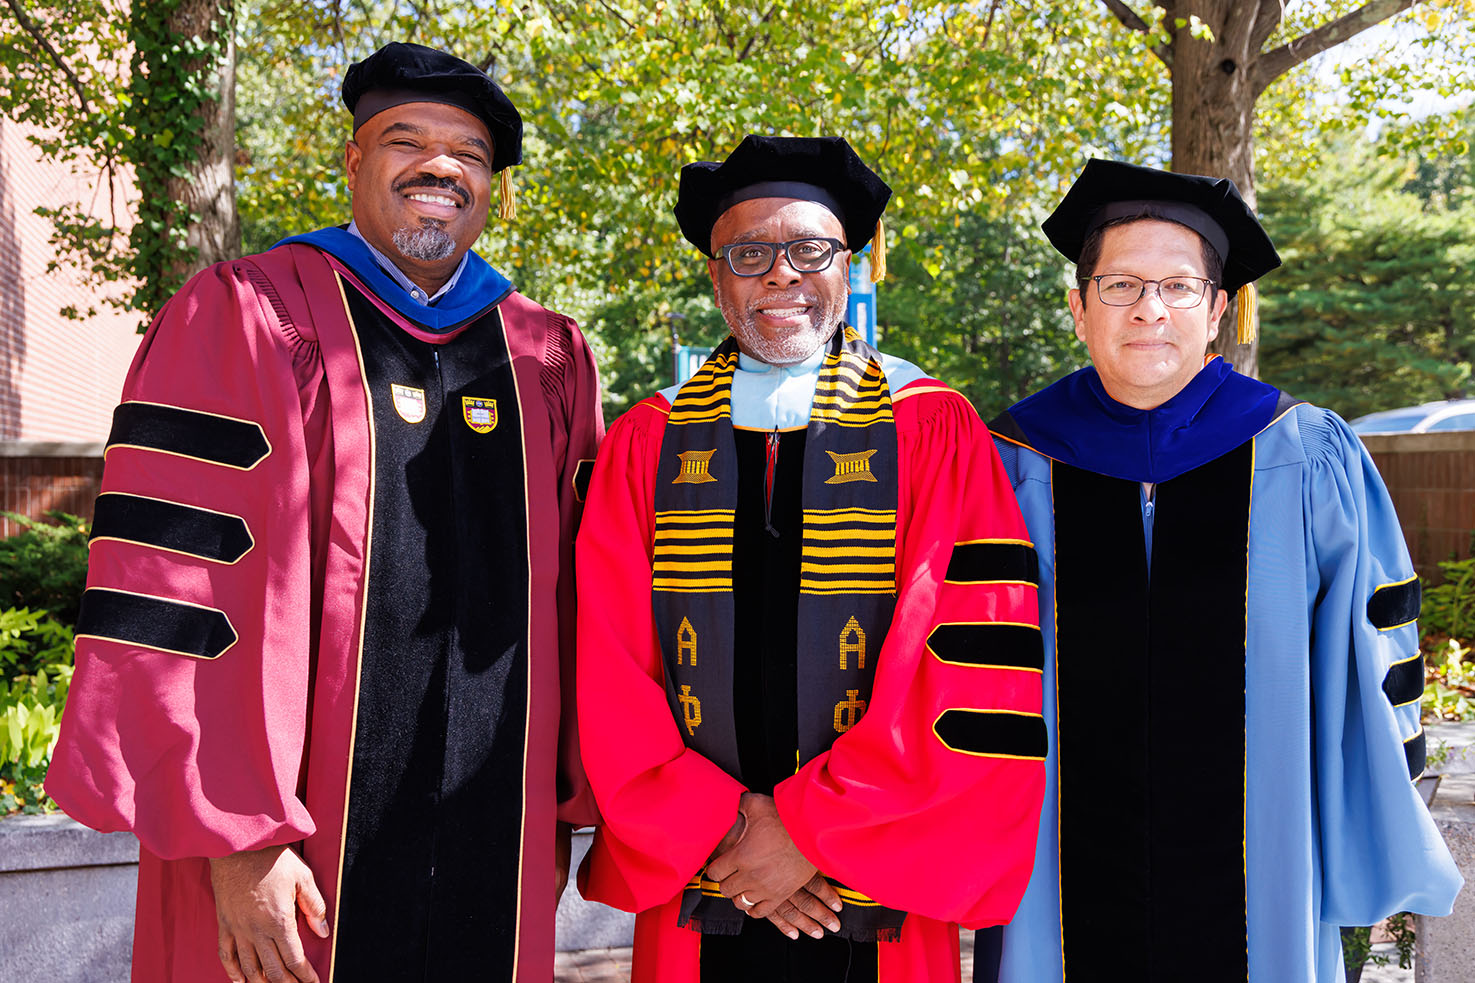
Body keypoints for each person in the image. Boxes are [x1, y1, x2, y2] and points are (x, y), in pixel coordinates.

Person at [45, 42, 602, 983]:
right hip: (284, 848)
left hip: (490, 840)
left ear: (493, 188)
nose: (439, 166)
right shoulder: (251, 315)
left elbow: (582, 605)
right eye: (405, 139)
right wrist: (236, 839)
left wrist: (550, 812)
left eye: (469, 153)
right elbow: (174, 584)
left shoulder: (542, 356)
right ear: (352, 162)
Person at [574, 134, 1047, 983]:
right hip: (700, 874)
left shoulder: (930, 428)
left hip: (875, 874)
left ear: (850, 266)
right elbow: (607, 663)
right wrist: (720, 832)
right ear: (717, 278)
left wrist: (809, 834)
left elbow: (959, 660)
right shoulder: (648, 438)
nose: (781, 273)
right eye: (750, 253)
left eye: (809, 249)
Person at [982, 158, 1463, 982]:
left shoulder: (1303, 452)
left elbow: (1371, 659)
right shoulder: (1009, 459)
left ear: (1215, 311)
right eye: (1120, 285)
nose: (1149, 309)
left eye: (1177, 286)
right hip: (1051, 865)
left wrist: (1363, 825)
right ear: (1077, 307)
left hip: (1262, 860)